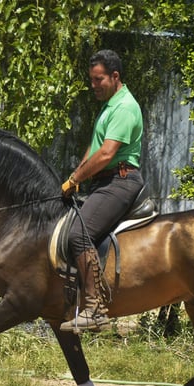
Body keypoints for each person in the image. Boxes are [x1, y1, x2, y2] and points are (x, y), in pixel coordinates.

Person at [60, 49, 145, 332]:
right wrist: (77, 176)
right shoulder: (110, 105)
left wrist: (75, 179)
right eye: (91, 80)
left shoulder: (124, 107)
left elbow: (107, 154)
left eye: (98, 80)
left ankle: (95, 308)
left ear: (115, 76)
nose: (93, 86)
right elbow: (94, 149)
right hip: (104, 181)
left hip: (120, 182)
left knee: (79, 234)